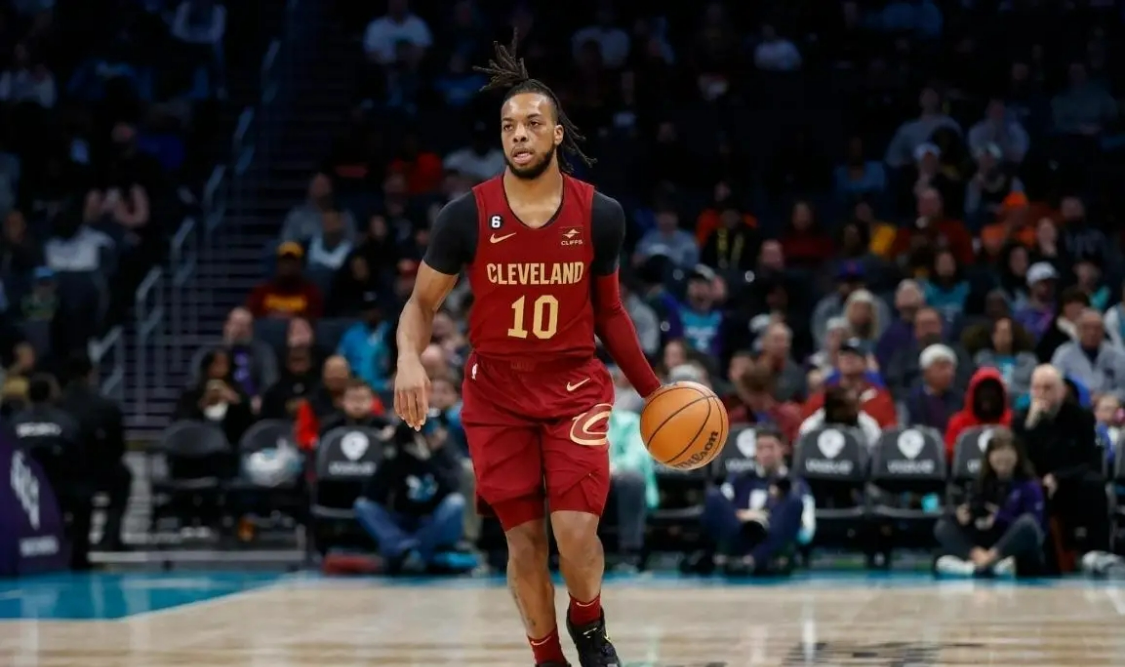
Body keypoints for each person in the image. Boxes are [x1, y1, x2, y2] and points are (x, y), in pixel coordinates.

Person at [393, 35, 663, 667]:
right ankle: (548, 659)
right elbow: (420, 305)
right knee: (524, 545)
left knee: (576, 531)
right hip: (496, 394)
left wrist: (654, 392)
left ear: (557, 134)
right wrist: (407, 358)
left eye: (533, 123)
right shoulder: (465, 216)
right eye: (509, 126)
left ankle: (589, 628)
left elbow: (610, 313)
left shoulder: (600, 215)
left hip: (573, 386)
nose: (519, 134)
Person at [1013, 365, 1105, 565]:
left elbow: (1090, 461)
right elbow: (1018, 461)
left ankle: (1097, 553)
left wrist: (1058, 476)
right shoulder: (1021, 420)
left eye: (1048, 388)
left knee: (1095, 484)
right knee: (1028, 489)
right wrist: (1031, 426)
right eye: (1037, 388)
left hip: (1071, 478)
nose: (1041, 393)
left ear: (1061, 391)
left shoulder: (1081, 417)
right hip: (1035, 480)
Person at [690, 428, 811, 575]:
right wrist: (743, 515)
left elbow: (807, 530)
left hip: (771, 540)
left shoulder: (796, 484)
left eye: (771, 448)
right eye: (760, 448)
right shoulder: (740, 478)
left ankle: (752, 560)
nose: (765, 453)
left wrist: (770, 517)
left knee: (794, 502)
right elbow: (720, 508)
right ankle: (722, 556)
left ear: (783, 449)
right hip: (740, 533)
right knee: (713, 495)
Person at [934, 427, 1045, 577]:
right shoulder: (980, 484)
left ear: (1018, 456)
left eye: (1008, 453)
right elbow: (972, 512)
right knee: (943, 524)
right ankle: (980, 560)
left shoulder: (1030, 486)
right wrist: (963, 515)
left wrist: (1000, 517)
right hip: (983, 540)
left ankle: (985, 562)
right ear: (989, 457)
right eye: (997, 453)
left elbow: (1035, 524)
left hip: (1010, 544)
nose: (1003, 458)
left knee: (1027, 524)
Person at [9, 374, 90, 569]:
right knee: (84, 499)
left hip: (21, 492)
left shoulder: (13, 424)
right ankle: (79, 558)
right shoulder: (66, 422)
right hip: (60, 491)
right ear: (52, 395)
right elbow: (79, 457)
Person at [58, 353, 130, 551]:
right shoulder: (106, 406)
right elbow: (119, 447)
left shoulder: (56, 405)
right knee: (123, 476)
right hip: (98, 471)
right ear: (91, 373)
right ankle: (110, 537)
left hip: (62, 473)